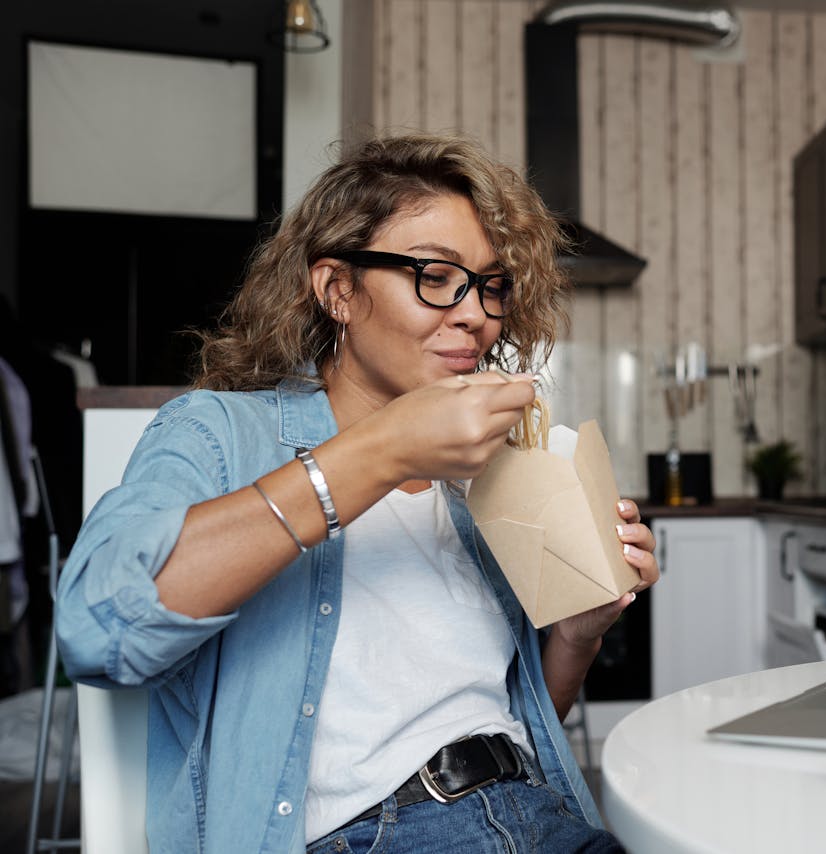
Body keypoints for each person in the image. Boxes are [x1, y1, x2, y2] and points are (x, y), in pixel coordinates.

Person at [54, 133, 658, 853]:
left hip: (539, 820)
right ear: (338, 289)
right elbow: (99, 629)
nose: (475, 314)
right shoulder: (221, 434)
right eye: (436, 275)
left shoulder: (479, 489)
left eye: (491, 286)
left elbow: (515, 731)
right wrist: (384, 449)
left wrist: (575, 634)